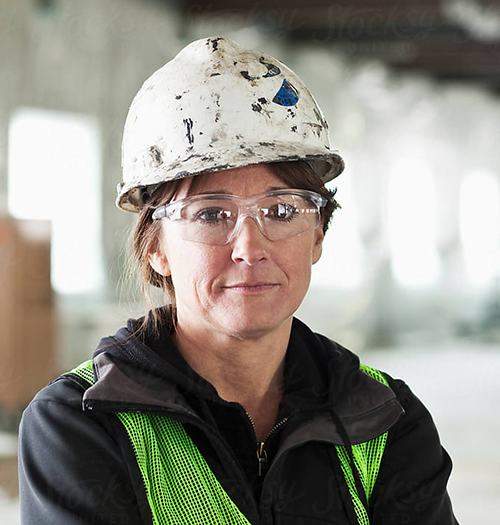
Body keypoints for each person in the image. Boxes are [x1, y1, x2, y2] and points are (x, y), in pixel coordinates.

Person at [18, 36, 459, 524]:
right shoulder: (81, 423)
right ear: (156, 247)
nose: (250, 248)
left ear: (317, 236)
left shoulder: (383, 417)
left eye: (281, 210)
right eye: (210, 214)